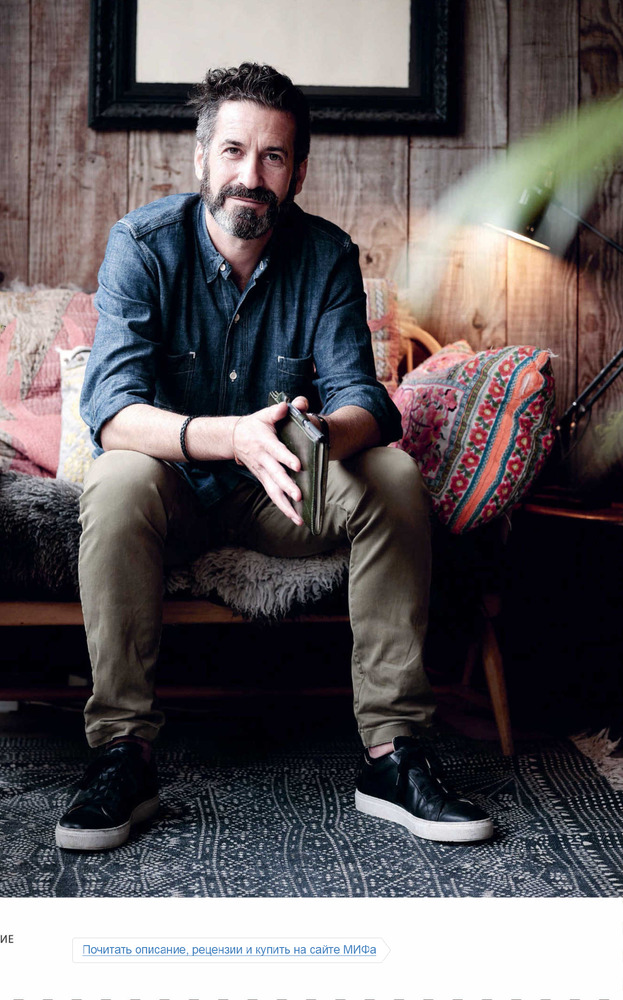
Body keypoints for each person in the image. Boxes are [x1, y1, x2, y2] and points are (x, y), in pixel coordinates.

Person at [55, 63, 493, 852]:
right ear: (201, 158)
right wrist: (232, 437)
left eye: (273, 157)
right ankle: (122, 752)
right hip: (170, 491)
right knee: (116, 480)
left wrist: (315, 433)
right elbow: (112, 413)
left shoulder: (325, 255)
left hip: (284, 491)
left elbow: (367, 403)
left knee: (394, 475)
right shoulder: (141, 246)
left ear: (298, 171)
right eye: (233, 151)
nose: (250, 176)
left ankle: (392, 754)